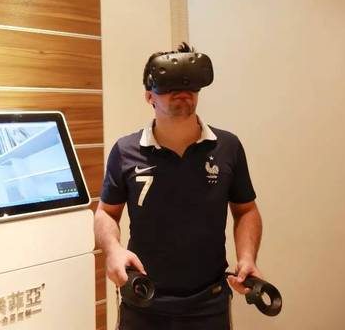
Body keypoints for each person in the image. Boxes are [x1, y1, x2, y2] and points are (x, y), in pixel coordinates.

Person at [94, 42, 263, 329]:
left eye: (190, 82)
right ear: (149, 96)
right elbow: (106, 213)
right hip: (144, 298)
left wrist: (247, 257)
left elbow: (246, 209)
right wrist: (113, 250)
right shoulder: (125, 151)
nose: (182, 89)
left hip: (209, 302)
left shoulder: (228, 147)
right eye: (168, 83)